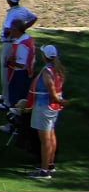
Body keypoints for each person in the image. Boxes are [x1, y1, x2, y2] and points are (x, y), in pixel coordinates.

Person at [22, 44, 67, 179]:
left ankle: (44, 170)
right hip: (53, 108)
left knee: (45, 140)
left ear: (44, 56)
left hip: (44, 107)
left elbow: (52, 93)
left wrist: (61, 101)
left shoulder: (47, 72)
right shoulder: (58, 69)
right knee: (51, 135)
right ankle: (50, 164)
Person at [0, 0, 37, 109]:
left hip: (8, 43)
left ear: (9, 0)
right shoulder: (23, 10)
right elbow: (34, 18)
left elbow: (8, 29)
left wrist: (7, 33)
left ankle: (7, 100)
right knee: (8, 71)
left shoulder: (12, 14)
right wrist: (24, 27)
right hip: (14, 41)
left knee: (6, 71)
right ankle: (6, 95)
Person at [0, 18, 35, 132]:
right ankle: (21, 125)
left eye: (12, 29)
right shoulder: (26, 39)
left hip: (19, 75)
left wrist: (9, 62)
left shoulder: (22, 45)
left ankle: (13, 126)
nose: (9, 31)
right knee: (21, 100)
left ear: (16, 30)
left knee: (16, 101)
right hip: (24, 74)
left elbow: (21, 65)